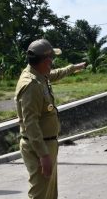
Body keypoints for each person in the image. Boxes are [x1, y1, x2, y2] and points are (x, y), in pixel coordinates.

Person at [15, 39, 86, 199]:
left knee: (49, 193)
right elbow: (30, 123)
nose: (52, 62)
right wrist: (43, 155)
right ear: (46, 60)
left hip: (48, 144)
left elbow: (56, 74)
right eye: (51, 59)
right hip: (39, 147)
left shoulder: (39, 75)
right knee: (40, 194)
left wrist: (73, 68)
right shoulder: (31, 85)